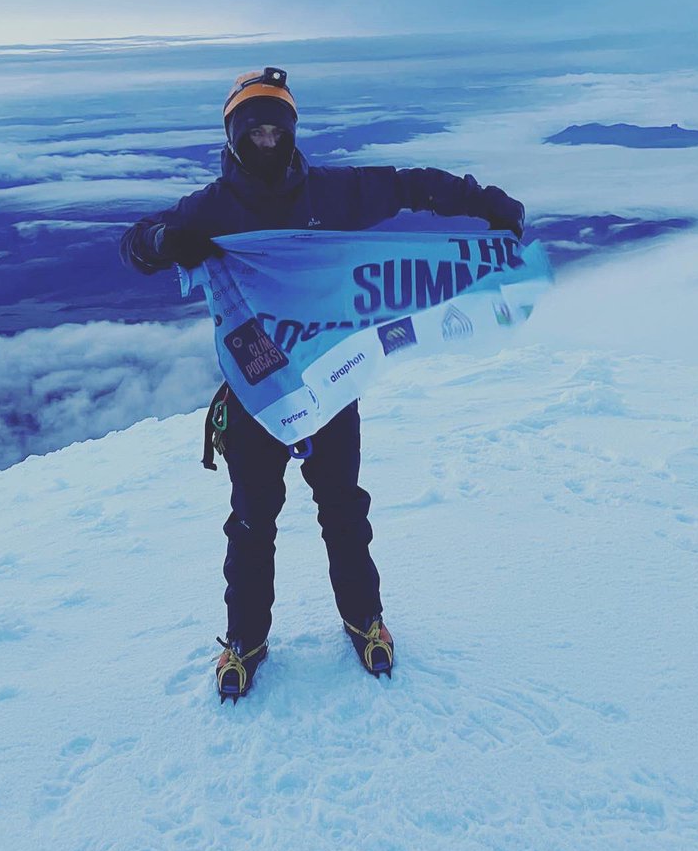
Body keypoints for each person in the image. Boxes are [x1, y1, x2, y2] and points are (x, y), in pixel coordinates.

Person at [120, 67, 525, 701]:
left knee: (343, 511)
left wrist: (484, 202)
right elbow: (137, 247)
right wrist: (163, 240)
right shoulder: (211, 209)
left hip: (331, 384)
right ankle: (244, 643)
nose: (263, 135)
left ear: (289, 131)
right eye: (250, 125)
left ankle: (365, 621)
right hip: (255, 396)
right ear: (231, 133)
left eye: (274, 124)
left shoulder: (333, 195)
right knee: (253, 522)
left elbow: (412, 187)